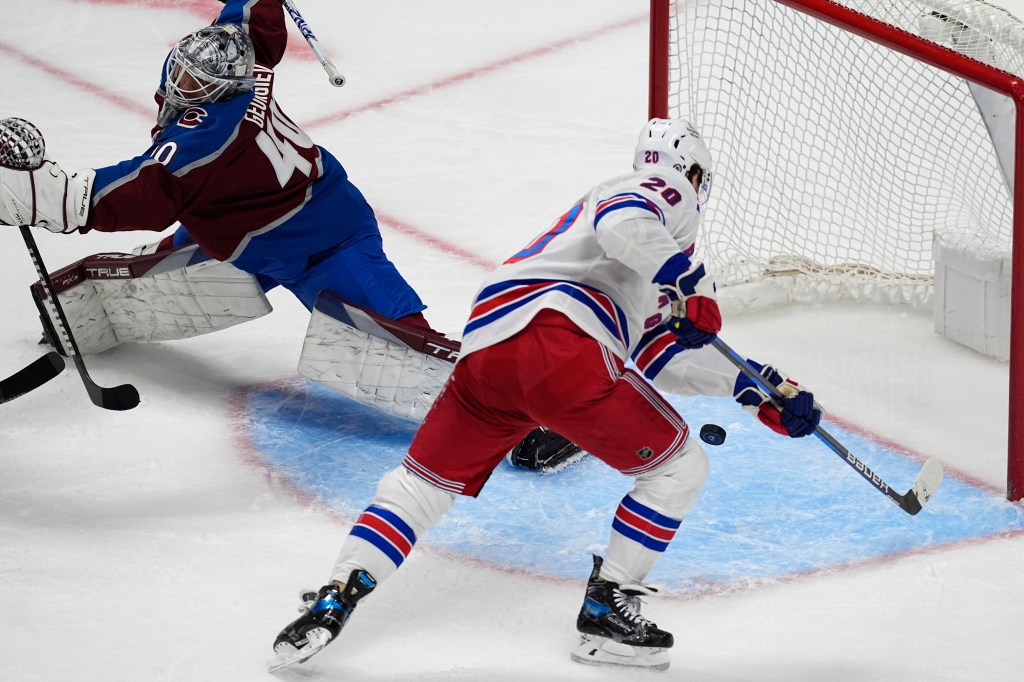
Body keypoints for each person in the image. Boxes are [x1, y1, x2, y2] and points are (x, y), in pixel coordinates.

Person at [268, 118, 823, 673]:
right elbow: (624, 220)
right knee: (678, 471)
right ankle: (605, 612)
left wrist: (753, 387)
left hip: (488, 354)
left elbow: (662, 355)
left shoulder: (646, 257)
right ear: (696, 174)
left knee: (417, 490)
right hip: (559, 342)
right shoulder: (664, 195)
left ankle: (335, 597)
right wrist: (681, 277)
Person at [0, 0, 576, 467]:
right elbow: (255, 17)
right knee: (150, 270)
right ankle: (83, 310)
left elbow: (117, 195)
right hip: (240, 236)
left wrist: (25, 191)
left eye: (193, 85)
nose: (179, 86)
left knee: (408, 346)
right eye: (180, 72)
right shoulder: (246, 64)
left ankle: (543, 416)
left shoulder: (202, 144)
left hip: (327, 245)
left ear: (217, 96)